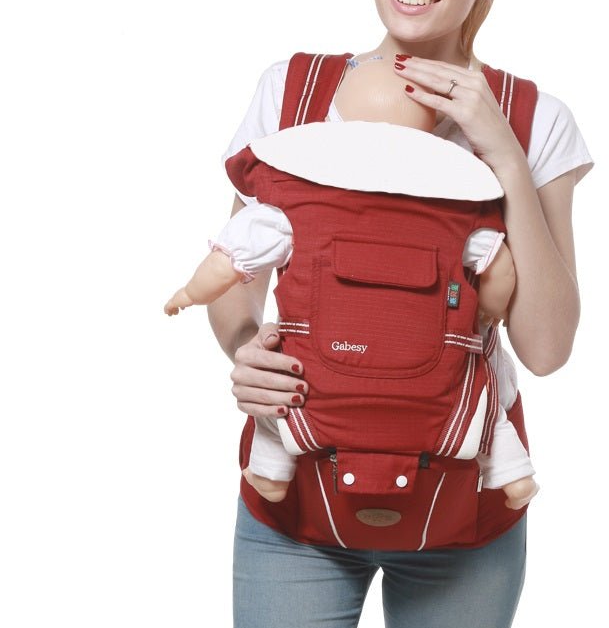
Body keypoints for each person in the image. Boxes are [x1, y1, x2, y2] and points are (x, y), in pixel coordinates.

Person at [208, 0, 593, 628]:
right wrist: (247, 350)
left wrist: (503, 153)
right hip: (297, 504)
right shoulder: (294, 91)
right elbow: (238, 278)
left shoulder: (533, 119)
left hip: (468, 509)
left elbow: (547, 347)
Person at [165, 56, 538, 511]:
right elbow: (499, 269)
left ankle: (269, 471)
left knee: (284, 403)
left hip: (318, 379)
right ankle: (512, 473)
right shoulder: (455, 213)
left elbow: (229, 260)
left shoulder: (294, 205)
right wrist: (486, 313)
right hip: (434, 389)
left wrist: (189, 294)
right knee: (481, 395)